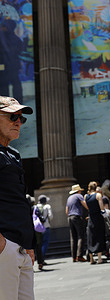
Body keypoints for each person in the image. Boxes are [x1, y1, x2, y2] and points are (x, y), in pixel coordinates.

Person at [0, 95, 34, 299]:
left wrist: (29, 244)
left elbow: (19, 201)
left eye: (21, 118)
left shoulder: (13, 154)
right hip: (5, 247)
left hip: (21, 248)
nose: (18, 122)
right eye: (13, 116)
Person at [66, 184, 88, 263]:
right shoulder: (79, 196)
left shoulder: (69, 198)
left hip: (70, 217)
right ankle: (80, 256)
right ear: (78, 191)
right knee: (80, 236)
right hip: (77, 217)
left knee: (73, 237)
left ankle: (74, 257)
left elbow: (67, 211)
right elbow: (85, 205)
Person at [85, 181, 106, 264]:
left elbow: (87, 207)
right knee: (99, 236)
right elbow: (102, 207)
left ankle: (91, 259)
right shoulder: (98, 195)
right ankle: (99, 258)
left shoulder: (86, 196)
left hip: (91, 218)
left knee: (91, 237)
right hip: (98, 218)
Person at [37, 195, 53, 265]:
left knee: (39, 243)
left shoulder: (36, 206)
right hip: (46, 226)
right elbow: (51, 216)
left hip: (38, 227)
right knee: (45, 242)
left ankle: (40, 258)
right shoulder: (47, 206)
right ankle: (42, 258)